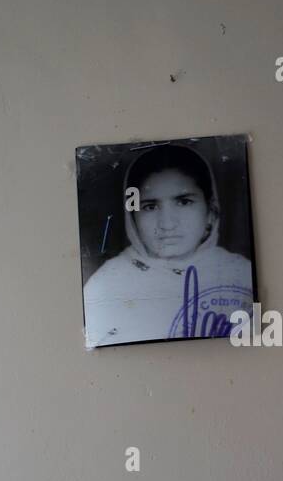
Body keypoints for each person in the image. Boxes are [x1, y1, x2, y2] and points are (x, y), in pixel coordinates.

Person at [83, 144, 253, 346]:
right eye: (150, 206)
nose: (167, 223)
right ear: (132, 217)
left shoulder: (240, 274)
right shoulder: (106, 285)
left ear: (211, 211)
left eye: (183, 202)